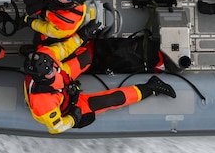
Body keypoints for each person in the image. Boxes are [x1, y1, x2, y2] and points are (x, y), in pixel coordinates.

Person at [22, 27, 176, 134]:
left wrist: (82, 35)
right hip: (68, 105)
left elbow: (65, 48)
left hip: (64, 79)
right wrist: (73, 118)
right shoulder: (44, 104)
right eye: (50, 69)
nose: (55, 67)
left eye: (52, 64)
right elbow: (56, 128)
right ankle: (152, 87)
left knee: (87, 56)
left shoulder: (47, 58)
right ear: (41, 77)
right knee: (112, 100)